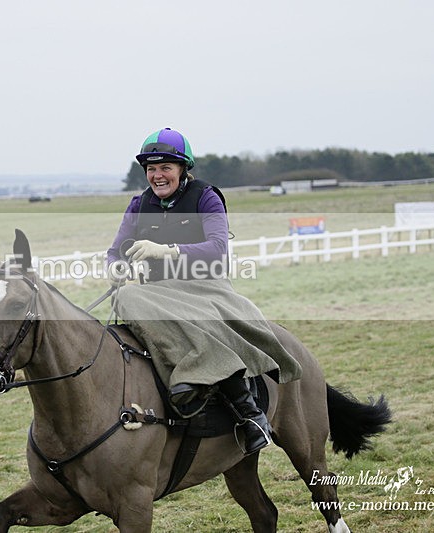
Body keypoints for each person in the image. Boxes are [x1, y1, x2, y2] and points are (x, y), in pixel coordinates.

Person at [107, 127, 302, 455]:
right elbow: (115, 252)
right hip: (157, 296)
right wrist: (116, 267)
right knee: (125, 296)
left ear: (183, 169)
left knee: (132, 298)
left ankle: (249, 412)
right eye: (151, 169)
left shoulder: (206, 196)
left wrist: (167, 250)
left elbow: (217, 249)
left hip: (205, 289)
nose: (157, 175)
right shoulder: (139, 205)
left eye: (165, 168)